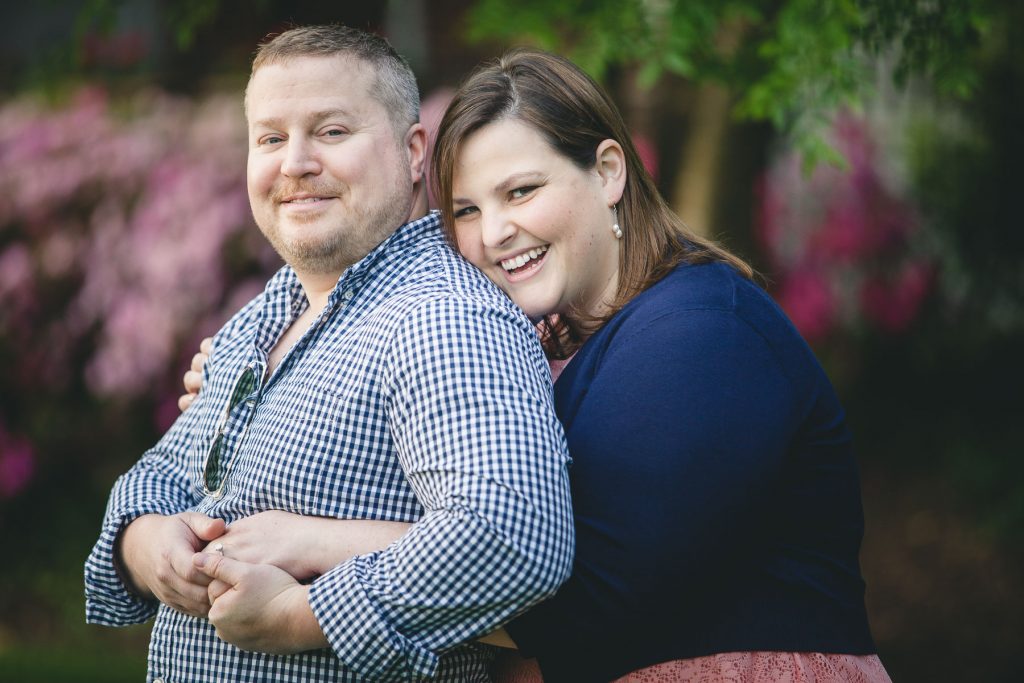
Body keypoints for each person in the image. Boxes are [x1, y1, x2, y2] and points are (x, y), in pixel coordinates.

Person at [183, 49, 891, 683]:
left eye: (521, 192)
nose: (494, 233)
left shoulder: (702, 331)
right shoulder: (543, 347)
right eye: (464, 209)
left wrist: (306, 576)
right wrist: (270, 387)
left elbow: (578, 586)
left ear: (608, 172)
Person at [84, 26, 574, 683]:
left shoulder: (441, 318)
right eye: (271, 138)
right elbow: (161, 477)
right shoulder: (269, 311)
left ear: (412, 151)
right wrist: (148, 545)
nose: (294, 163)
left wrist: (300, 608)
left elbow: (513, 538)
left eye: (332, 131)